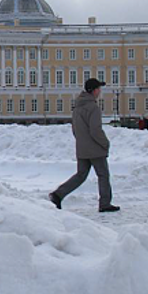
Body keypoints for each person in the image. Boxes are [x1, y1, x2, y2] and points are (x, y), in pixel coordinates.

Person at [49, 79, 120, 213]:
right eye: (99, 89)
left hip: (82, 147)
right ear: (94, 90)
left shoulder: (77, 107)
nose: (100, 92)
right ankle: (105, 203)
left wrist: (82, 142)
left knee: (81, 175)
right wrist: (105, 143)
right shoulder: (93, 108)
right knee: (103, 175)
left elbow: (75, 129)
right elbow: (95, 130)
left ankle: (58, 194)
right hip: (95, 149)